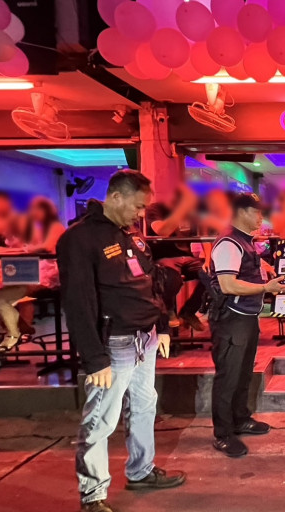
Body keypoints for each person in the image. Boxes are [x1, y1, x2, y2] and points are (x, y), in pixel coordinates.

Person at [57, 171, 185, 512]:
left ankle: (141, 471)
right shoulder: (79, 239)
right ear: (116, 197)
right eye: (137, 206)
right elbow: (78, 302)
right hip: (113, 344)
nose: (140, 214)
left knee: (144, 406)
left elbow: (152, 284)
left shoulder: (131, 235)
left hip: (145, 338)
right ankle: (93, 495)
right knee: (101, 419)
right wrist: (94, 358)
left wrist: (163, 326)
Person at [208, 192, 285, 458]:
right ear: (241, 212)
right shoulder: (229, 243)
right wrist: (266, 287)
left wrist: (265, 272)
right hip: (231, 319)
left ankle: (240, 419)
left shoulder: (244, 241)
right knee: (228, 376)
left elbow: (247, 270)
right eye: (256, 212)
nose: (260, 217)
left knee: (243, 373)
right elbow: (228, 285)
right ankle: (223, 434)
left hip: (245, 316)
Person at [0, 197, 65, 352]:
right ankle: (17, 329)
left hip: (48, 277)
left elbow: (46, 247)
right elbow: (20, 245)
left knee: (3, 297)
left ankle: (15, 332)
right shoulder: (39, 229)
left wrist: (25, 249)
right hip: (33, 273)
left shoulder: (55, 227)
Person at [145, 183, 205, 331]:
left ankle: (189, 311)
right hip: (164, 257)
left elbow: (204, 235)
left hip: (187, 258)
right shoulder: (156, 209)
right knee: (171, 278)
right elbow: (161, 231)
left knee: (212, 275)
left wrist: (208, 260)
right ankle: (169, 310)